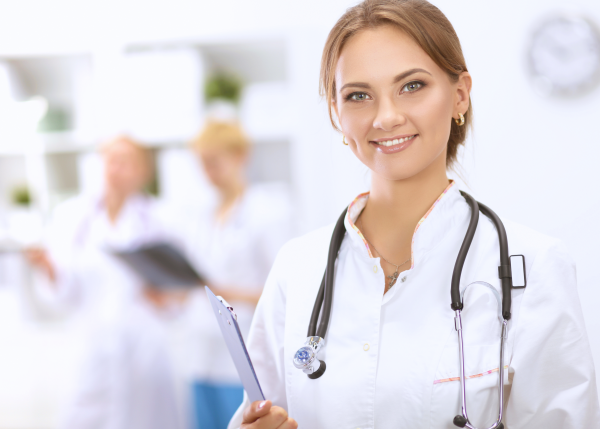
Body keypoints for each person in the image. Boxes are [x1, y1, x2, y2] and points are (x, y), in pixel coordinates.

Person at [229, 1, 600, 428]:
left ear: (459, 94)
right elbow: (255, 414)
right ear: (336, 113)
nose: (386, 117)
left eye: (412, 86)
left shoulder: (533, 266)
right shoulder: (297, 270)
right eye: (358, 95)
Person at [25, 136, 183, 429]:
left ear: (143, 172)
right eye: (111, 160)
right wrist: (47, 267)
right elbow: (63, 294)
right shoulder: (72, 216)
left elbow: (179, 291)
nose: (116, 168)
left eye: (126, 161)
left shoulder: (162, 219)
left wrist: (168, 298)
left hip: (143, 346)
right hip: (91, 345)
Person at [183, 121, 293, 428]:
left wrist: (222, 291)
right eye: (202, 163)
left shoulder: (267, 211)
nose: (208, 172)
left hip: (242, 358)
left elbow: (284, 291)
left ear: (240, 156)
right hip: (200, 354)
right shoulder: (201, 215)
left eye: (214, 162)